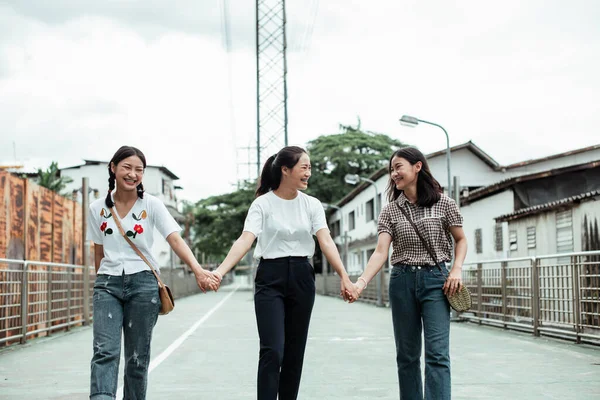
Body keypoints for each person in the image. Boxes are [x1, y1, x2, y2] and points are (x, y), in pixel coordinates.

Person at [211, 145, 358, 400]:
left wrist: (344, 276)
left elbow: (326, 241)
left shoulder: (312, 205)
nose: (308, 173)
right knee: (272, 350)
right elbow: (246, 239)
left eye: (310, 168)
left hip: (302, 275)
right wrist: (220, 271)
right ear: (285, 170)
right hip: (270, 276)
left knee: (294, 351)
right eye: (304, 167)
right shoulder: (262, 204)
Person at [86, 145, 219, 400]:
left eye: (139, 170)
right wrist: (99, 283)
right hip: (107, 285)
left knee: (137, 358)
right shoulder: (97, 208)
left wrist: (198, 270)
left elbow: (175, 239)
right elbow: (98, 251)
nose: (133, 174)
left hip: (143, 284)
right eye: (127, 167)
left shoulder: (152, 205)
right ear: (113, 168)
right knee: (105, 351)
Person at [351, 147, 467, 400]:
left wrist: (456, 269)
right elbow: (381, 252)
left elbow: (461, 240)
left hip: (437, 282)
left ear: (417, 167)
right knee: (407, 355)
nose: (394, 174)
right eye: (392, 170)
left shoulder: (444, 203)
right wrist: (360, 283)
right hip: (402, 280)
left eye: (398, 167)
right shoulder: (391, 210)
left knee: (437, 354)